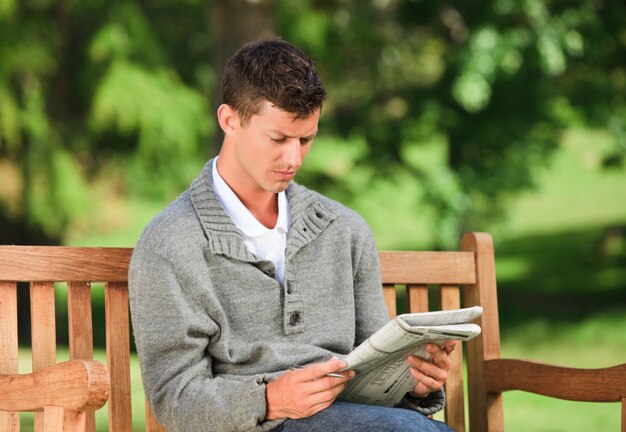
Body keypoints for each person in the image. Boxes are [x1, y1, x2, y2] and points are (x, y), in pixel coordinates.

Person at [129, 38, 455, 432]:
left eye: (306, 140)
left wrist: (416, 383)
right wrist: (269, 399)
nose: (293, 159)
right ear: (229, 120)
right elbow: (175, 398)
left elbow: (378, 372)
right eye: (278, 139)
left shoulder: (345, 230)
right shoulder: (171, 243)